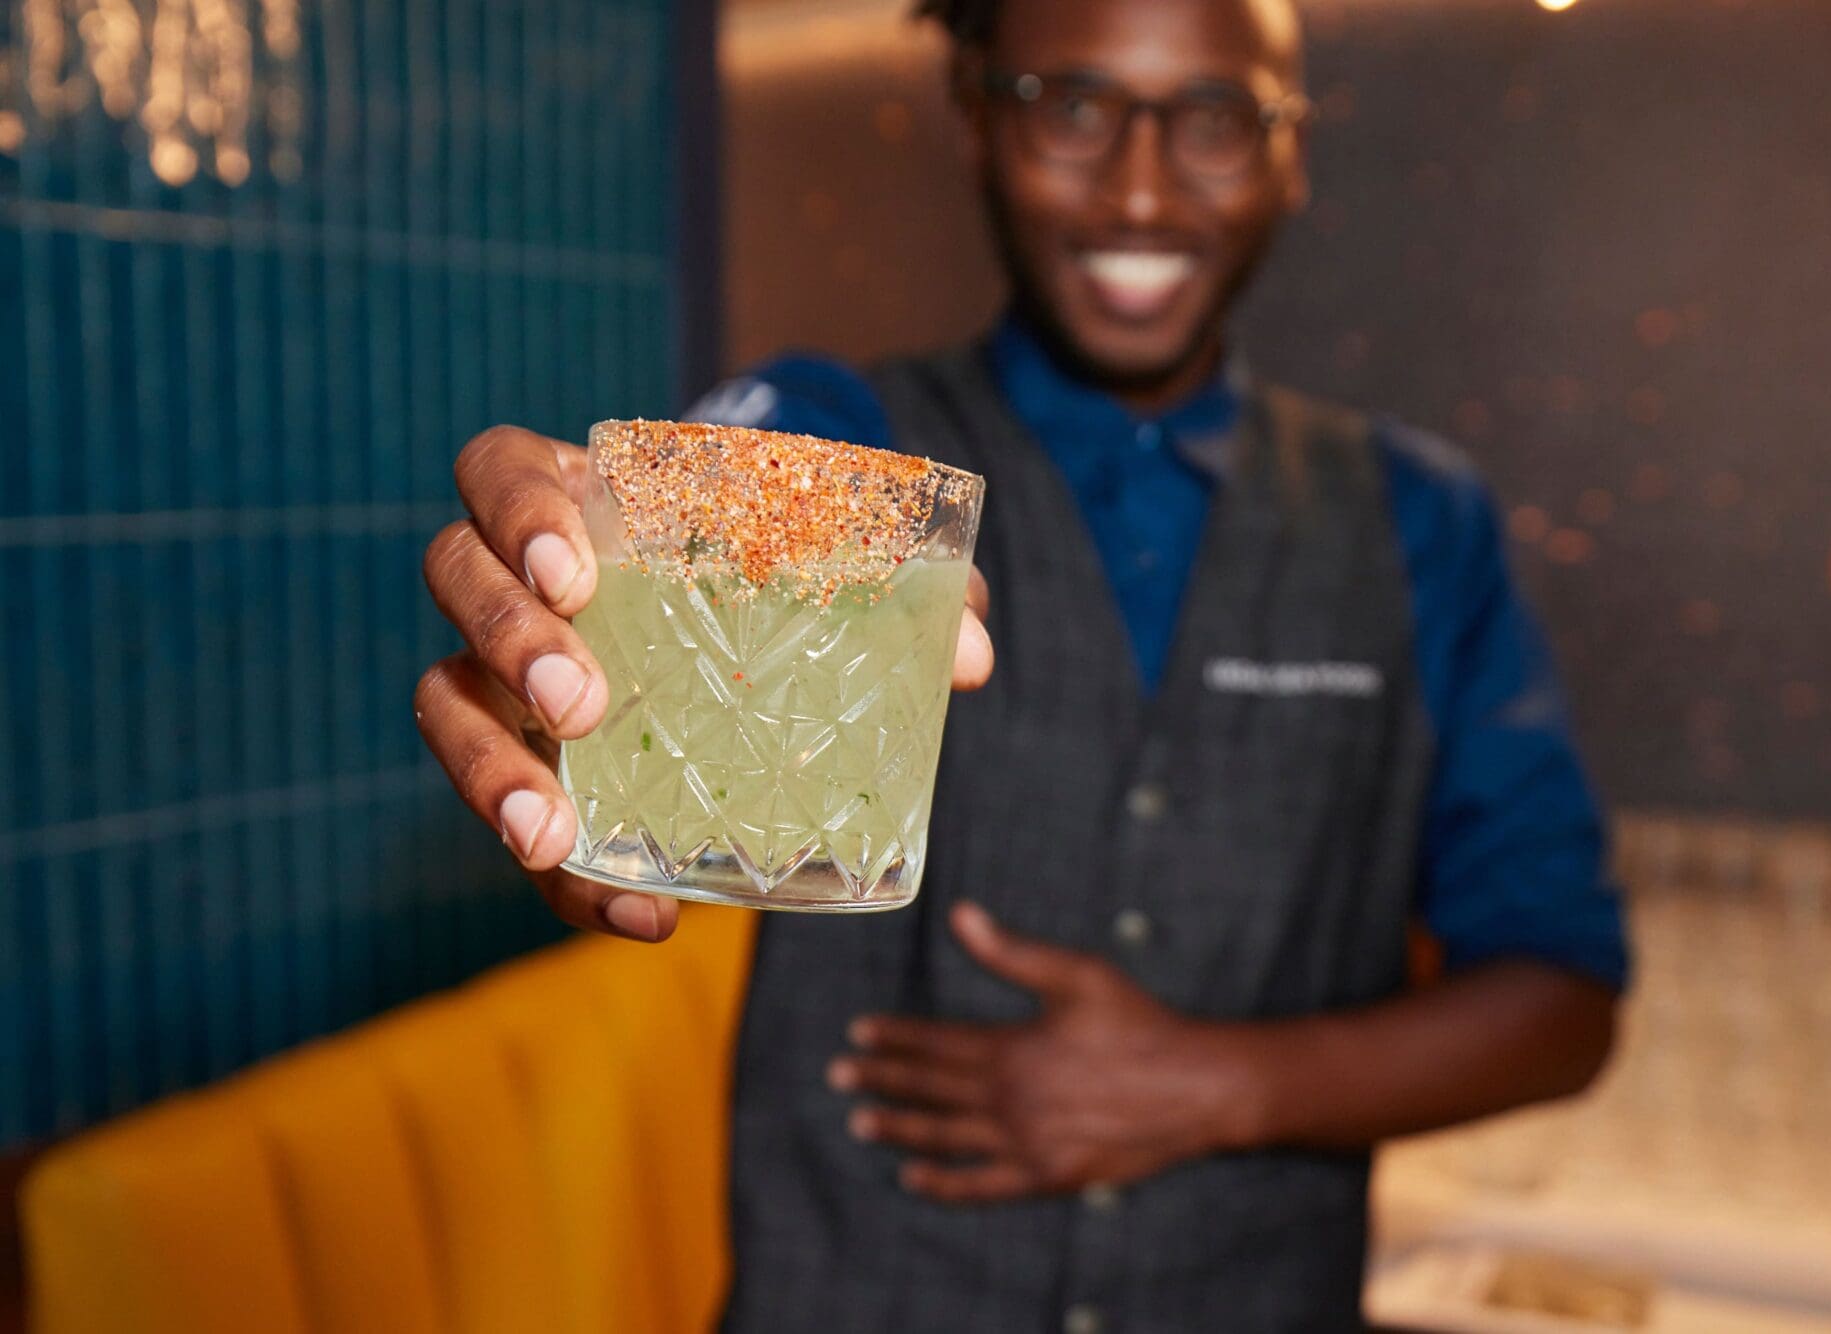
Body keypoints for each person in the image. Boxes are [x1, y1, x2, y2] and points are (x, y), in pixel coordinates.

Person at [413, 0, 1629, 1327]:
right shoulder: (862, 438)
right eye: (1073, 104)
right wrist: (587, 601)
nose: (1142, 188)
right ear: (977, 118)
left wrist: (1212, 1083)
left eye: (1214, 118)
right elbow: (757, 442)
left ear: (1293, 150)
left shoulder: (1419, 521)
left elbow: (1560, 997)